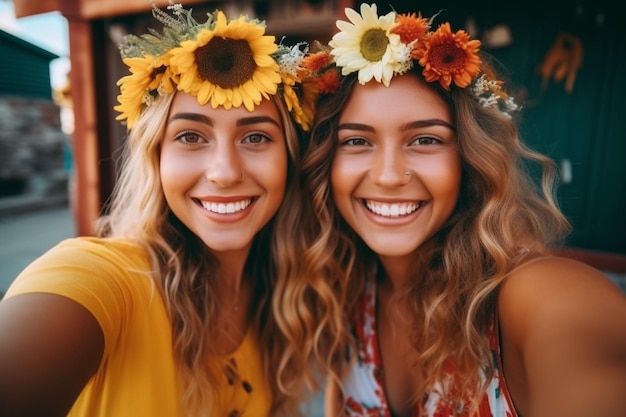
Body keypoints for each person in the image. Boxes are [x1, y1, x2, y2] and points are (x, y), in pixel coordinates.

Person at [0, 3, 345, 417]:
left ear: (290, 158)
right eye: (191, 136)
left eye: (255, 137)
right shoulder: (104, 277)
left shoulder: (279, 301)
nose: (224, 172)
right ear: (155, 157)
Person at [297, 4, 626, 417]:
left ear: (470, 159)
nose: (388, 176)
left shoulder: (529, 295)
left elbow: (582, 347)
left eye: (425, 140)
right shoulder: (344, 289)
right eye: (357, 141)